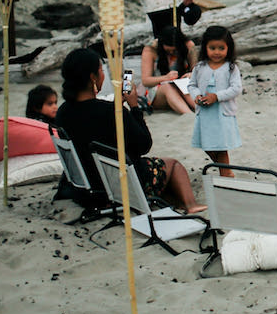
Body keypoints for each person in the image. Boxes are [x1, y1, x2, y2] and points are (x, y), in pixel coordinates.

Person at [55, 47, 205, 213]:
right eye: (100, 70)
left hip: (86, 185)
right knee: (174, 165)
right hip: (121, 186)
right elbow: (144, 145)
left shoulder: (63, 112)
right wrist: (134, 107)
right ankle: (191, 205)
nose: (103, 74)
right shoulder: (111, 113)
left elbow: (93, 124)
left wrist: (117, 107)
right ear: (92, 77)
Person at [189, 25, 243, 177]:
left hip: (222, 113)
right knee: (206, 144)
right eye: (212, 48)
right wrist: (197, 96)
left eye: (221, 48)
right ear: (205, 48)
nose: (217, 52)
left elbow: (236, 88)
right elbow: (192, 85)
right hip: (205, 113)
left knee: (221, 146)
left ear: (228, 48)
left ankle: (225, 173)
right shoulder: (200, 67)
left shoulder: (231, 68)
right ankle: (223, 168)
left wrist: (216, 96)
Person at [140, 25, 197, 115]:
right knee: (167, 87)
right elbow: (146, 80)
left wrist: (191, 74)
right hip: (158, 90)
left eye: (175, 51)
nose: (171, 53)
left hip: (181, 85)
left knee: (186, 84)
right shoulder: (150, 50)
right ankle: (188, 114)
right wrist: (165, 78)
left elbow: (196, 70)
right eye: (168, 50)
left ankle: (200, 109)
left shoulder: (188, 45)